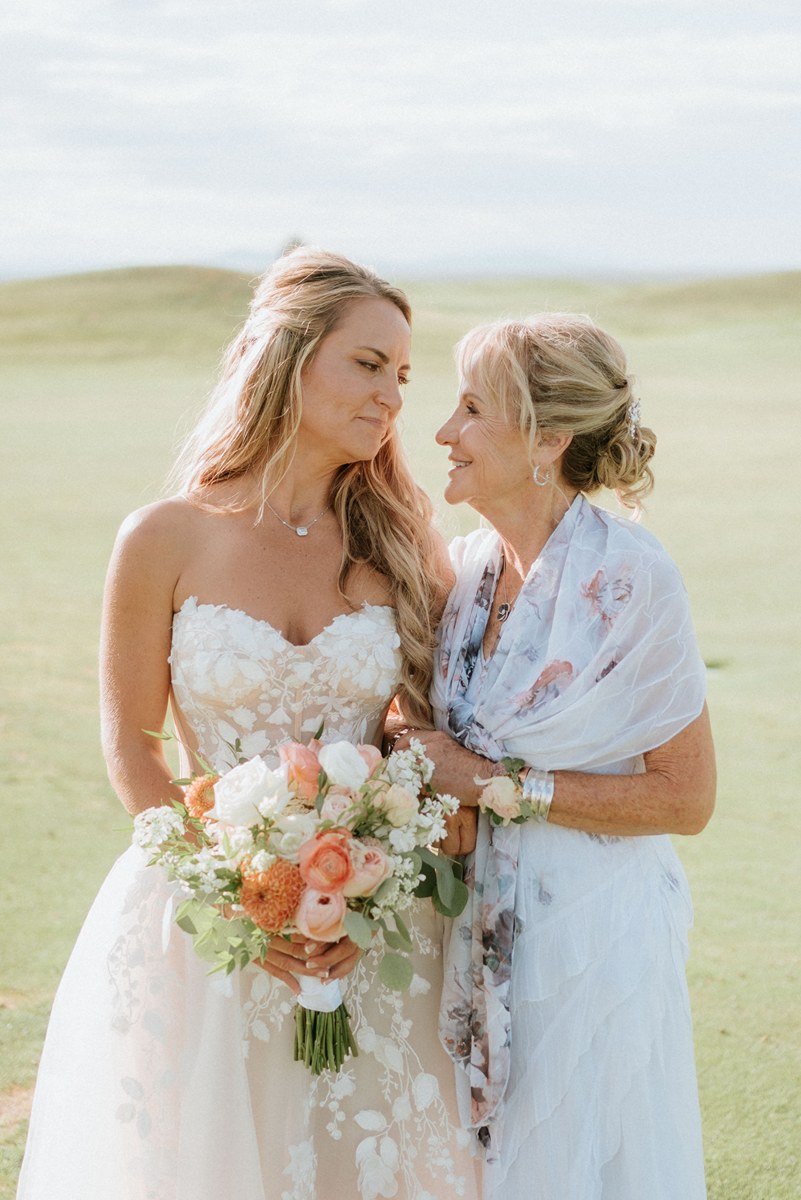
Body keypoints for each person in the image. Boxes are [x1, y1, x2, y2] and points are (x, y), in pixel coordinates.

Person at [17, 248, 478, 1200]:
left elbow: (423, 732)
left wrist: (372, 885)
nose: (392, 396)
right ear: (286, 357)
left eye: (402, 374)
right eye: (367, 364)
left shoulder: (400, 540)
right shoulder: (164, 536)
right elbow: (132, 743)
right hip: (207, 920)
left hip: (369, 929)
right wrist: (236, 897)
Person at [394, 314, 716, 1199]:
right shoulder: (461, 569)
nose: (444, 432)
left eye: (471, 410)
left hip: (586, 942)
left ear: (546, 441)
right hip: (465, 928)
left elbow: (684, 798)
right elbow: (412, 711)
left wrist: (490, 785)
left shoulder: (630, 578)